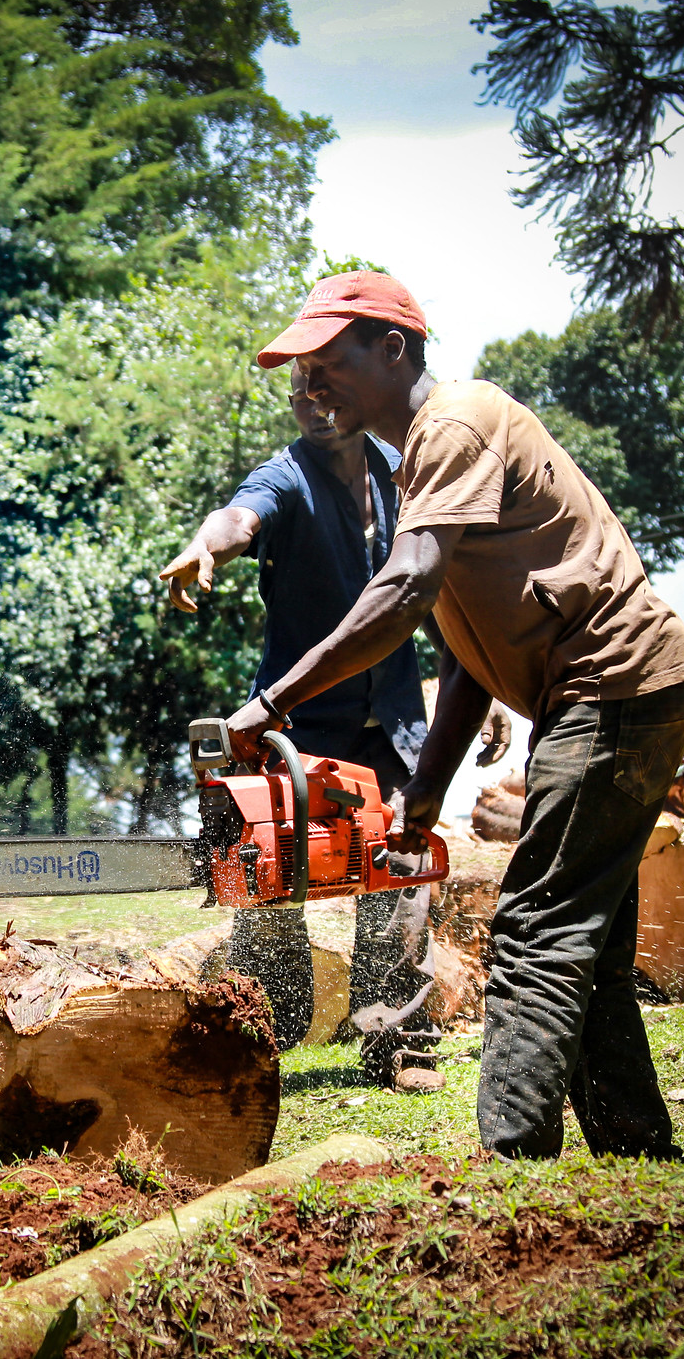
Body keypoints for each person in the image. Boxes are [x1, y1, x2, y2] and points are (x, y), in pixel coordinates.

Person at [229, 270, 684, 1160]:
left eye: (328, 361)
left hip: (612, 688)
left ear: (393, 348)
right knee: (585, 938)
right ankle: (638, 1152)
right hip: (614, 691)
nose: (311, 385)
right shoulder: (426, 461)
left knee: (534, 925)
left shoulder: (451, 424)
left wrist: (272, 703)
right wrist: (420, 803)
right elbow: (465, 663)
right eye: (301, 371)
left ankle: (511, 1161)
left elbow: (406, 589)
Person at [159, 370, 507, 1073]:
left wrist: (482, 682)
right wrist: (206, 546)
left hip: (394, 722)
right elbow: (240, 517)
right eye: (301, 394)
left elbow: (430, 589)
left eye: (327, 389)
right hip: (296, 727)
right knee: (269, 877)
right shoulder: (284, 475)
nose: (316, 404)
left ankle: (398, 1041)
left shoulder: (401, 470)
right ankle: (262, 1037)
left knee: (401, 869)